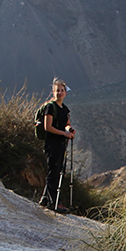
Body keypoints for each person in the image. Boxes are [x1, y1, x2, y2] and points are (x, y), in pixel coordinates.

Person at [35, 77, 74, 210]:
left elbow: (67, 124)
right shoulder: (50, 108)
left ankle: (45, 199)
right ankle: (54, 203)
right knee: (54, 172)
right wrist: (64, 133)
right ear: (53, 92)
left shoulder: (64, 109)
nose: (60, 93)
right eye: (57, 91)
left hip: (60, 144)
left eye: (62, 90)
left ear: (65, 92)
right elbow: (48, 127)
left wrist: (69, 130)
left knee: (57, 170)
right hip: (52, 143)